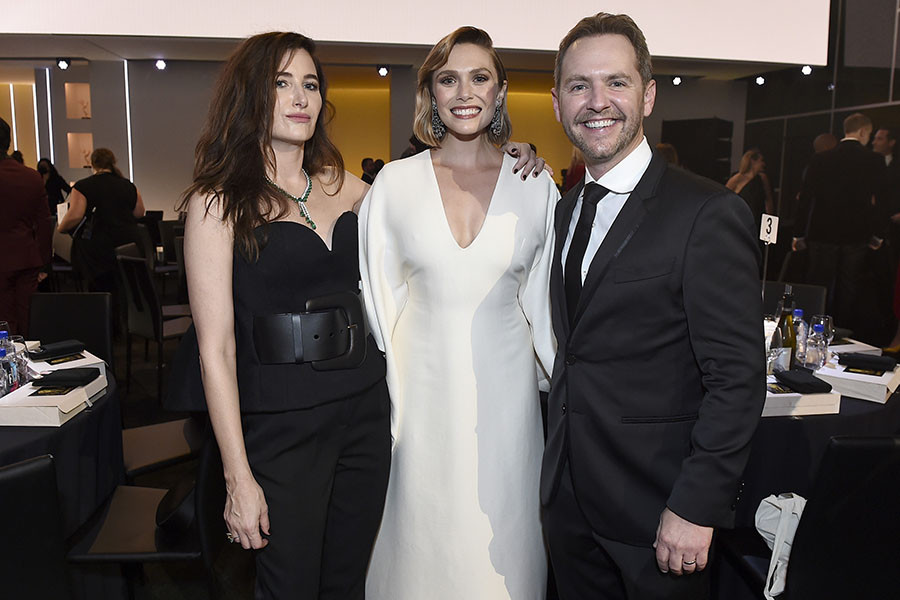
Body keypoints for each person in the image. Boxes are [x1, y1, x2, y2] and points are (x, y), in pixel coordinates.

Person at [169, 31, 546, 599]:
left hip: (364, 413)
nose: (301, 98)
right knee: (289, 585)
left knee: (349, 583)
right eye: (281, 83)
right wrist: (236, 474)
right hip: (281, 422)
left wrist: (508, 151)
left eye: (310, 84)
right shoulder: (216, 203)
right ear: (249, 94)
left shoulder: (345, 186)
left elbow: (429, 207)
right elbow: (215, 350)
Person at [541, 13, 765, 600]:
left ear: (647, 95)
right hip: (570, 507)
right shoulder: (565, 210)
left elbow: (737, 378)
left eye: (616, 82)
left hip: (659, 515)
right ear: (558, 104)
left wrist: (696, 505)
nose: (597, 102)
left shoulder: (706, 213)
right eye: (579, 86)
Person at [360, 26, 557, 600]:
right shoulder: (394, 185)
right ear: (431, 93)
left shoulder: (535, 185)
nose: (465, 92)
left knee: (504, 559)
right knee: (416, 555)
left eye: (479, 77)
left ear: (500, 92)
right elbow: (377, 303)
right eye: (449, 79)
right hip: (418, 408)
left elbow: (549, 312)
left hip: (508, 411)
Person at [794, 113, 886, 336]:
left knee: (819, 284)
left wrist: (799, 234)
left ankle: (812, 332)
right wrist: (878, 234)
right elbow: (881, 201)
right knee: (849, 287)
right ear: (863, 131)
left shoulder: (821, 159)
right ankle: (841, 333)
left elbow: (805, 199)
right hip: (856, 234)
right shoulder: (874, 160)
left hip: (822, 232)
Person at [57, 148, 145, 293]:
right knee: (125, 287)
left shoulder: (82, 186)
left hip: (100, 246)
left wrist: (61, 227)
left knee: (103, 288)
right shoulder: (128, 185)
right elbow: (139, 212)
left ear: (92, 164)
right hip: (129, 242)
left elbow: (75, 216)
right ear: (112, 162)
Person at [0, 117, 50, 334]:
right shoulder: (31, 177)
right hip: (27, 259)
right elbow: (44, 224)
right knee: (26, 322)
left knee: (4, 323)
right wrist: (44, 263)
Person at [726, 149, 774, 231]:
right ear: (752, 161)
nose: (763, 164)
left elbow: (768, 200)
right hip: (741, 221)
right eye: (761, 161)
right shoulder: (736, 179)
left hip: (758, 220)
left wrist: (769, 223)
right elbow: (724, 199)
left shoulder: (762, 178)